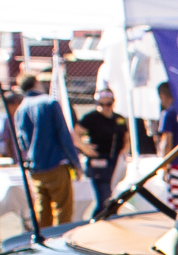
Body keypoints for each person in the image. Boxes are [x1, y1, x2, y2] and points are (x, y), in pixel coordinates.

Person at [14, 73, 84, 229]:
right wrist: (76, 163)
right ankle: (60, 238)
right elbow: (64, 135)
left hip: (35, 168)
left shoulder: (20, 109)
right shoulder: (49, 103)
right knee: (63, 210)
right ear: (36, 83)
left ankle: (43, 238)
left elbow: (22, 143)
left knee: (42, 210)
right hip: (56, 165)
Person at [76, 88, 129, 213]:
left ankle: (109, 217)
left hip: (115, 160)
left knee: (112, 195)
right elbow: (75, 135)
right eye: (101, 104)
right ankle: (100, 219)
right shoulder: (90, 118)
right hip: (98, 161)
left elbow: (126, 137)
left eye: (108, 104)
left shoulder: (118, 119)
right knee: (104, 199)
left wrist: (124, 151)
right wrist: (86, 148)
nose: (105, 107)